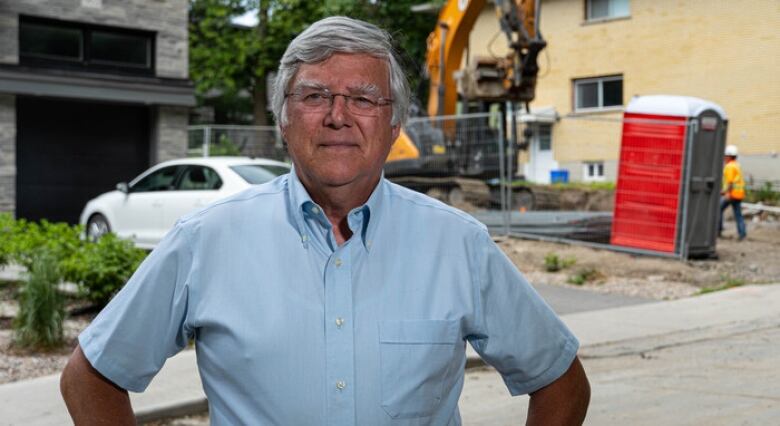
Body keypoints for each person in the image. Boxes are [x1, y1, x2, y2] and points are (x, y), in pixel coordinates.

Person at [60, 16, 590, 425]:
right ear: (284, 120)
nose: (338, 115)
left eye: (363, 98)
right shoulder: (206, 241)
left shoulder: (458, 244)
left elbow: (561, 381)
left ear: (394, 124)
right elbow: (91, 376)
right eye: (315, 96)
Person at [719, 144, 747, 240]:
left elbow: (730, 183)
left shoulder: (730, 166)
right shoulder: (737, 165)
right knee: (738, 214)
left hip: (731, 194)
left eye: (725, 156)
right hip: (739, 194)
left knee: (718, 209)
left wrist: (725, 192)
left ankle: (718, 230)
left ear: (729, 156)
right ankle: (742, 233)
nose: (724, 157)